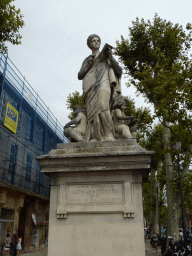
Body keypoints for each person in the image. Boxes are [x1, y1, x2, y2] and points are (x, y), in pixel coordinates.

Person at [78, 34, 122, 142]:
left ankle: (108, 134)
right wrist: (88, 64)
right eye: (93, 41)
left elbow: (119, 71)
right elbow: (80, 75)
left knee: (103, 106)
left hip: (104, 82)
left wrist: (110, 57)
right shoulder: (88, 59)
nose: (96, 42)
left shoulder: (107, 57)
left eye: (98, 40)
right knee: (92, 111)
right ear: (89, 45)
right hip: (90, 86)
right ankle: (95, 136)